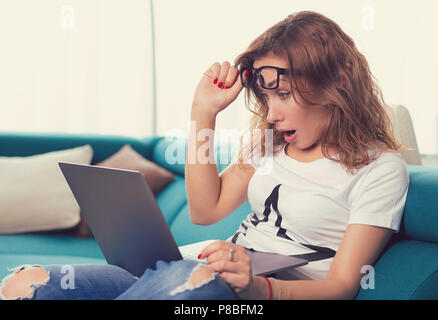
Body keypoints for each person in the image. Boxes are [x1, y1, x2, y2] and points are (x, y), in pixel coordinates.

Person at [0, 11, 409, 300]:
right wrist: (203, 112)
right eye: (266, 97)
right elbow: (204, 209)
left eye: (283, 94)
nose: (272, 112)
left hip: (243, 288)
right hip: (198, 269)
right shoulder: (270, 144)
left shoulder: (380, 169)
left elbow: (341, 287)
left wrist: (258, 288)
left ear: (335, 84)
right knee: (22, 284)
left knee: (191, 282)